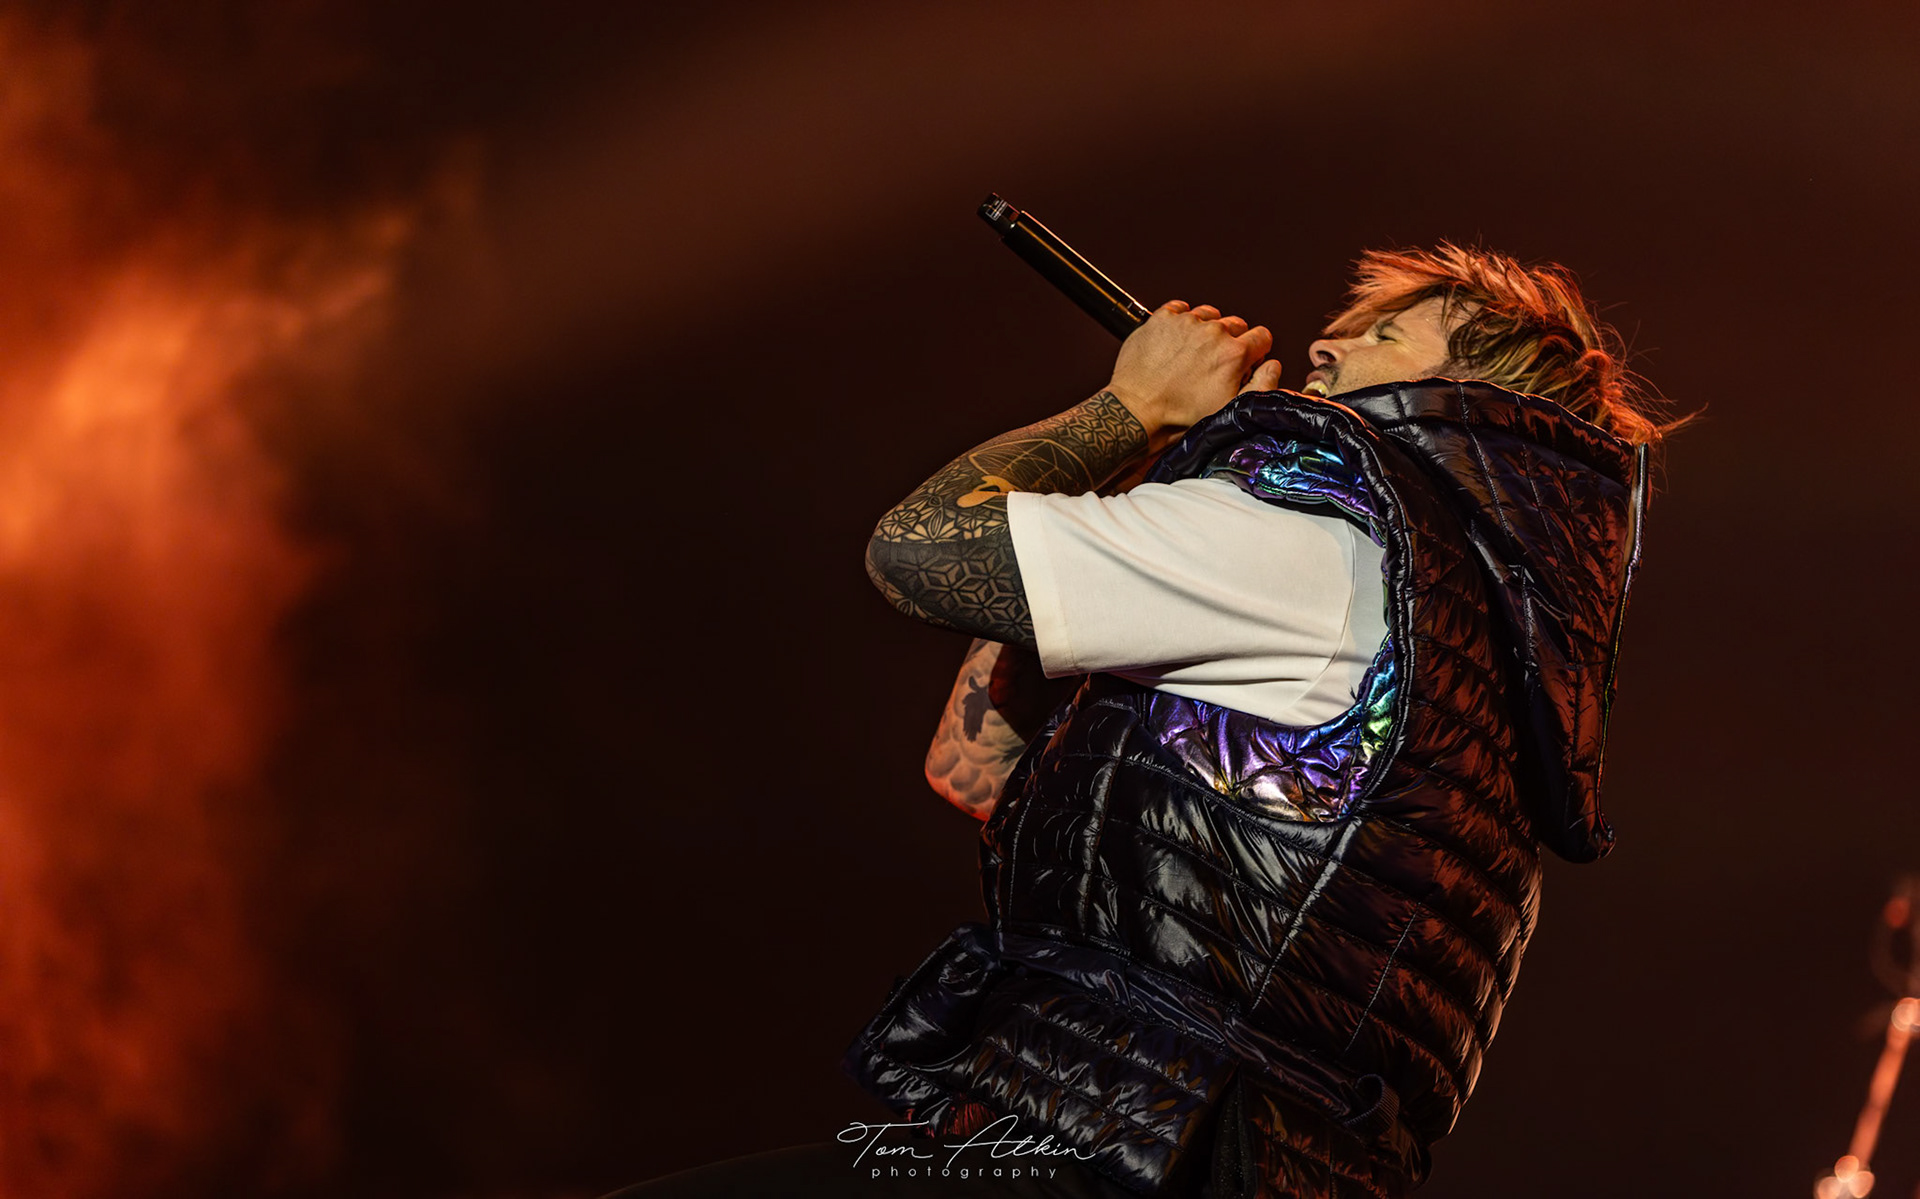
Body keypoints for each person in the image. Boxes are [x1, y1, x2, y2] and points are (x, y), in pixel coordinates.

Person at [611, 244, 1673, 1199]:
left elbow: (919, 548)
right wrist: (1148, 479)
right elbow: (975, 767)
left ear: (1472, 395)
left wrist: (1132, 407)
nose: (1324, 345)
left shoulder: (1321, 535)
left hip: (1144, 1137)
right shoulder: (1462, 621)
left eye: (1384, 335)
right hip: (1210, 1143)